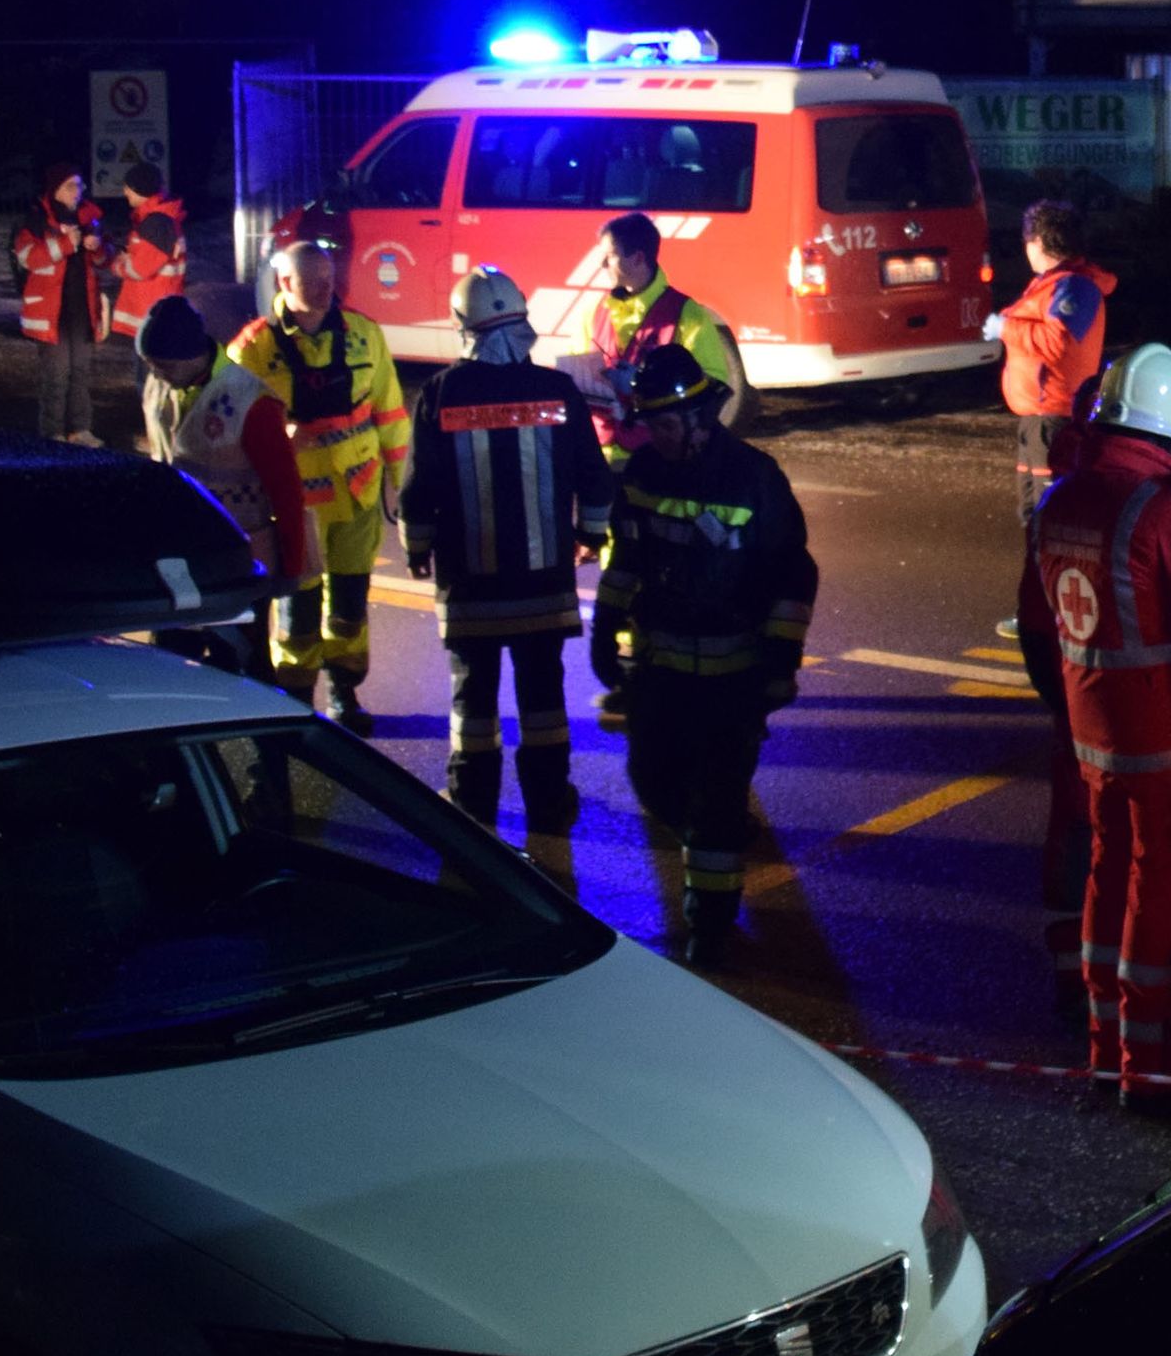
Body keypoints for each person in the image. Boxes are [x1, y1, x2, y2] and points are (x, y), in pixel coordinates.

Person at [1019, 343, 1171, 1099]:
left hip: (1093, 733)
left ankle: (1104, 1041)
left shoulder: (1058, 500)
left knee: (1106, 874)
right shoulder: (1163, 513)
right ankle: (1148, 1062)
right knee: (1156, 885)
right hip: (1168, 737)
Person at [592, 343, 815, 954]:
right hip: (661, 672)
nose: (656, 437)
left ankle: (710, 926)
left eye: (665, 425)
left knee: (716, 802)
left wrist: (779, 663)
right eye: (651, 425)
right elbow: (627, 559)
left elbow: (792, 577)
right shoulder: (642, 475)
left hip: (733, 676)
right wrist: (605, 623)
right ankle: (710, 844)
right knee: (652, 778)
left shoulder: (754, 477)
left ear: (697, 419)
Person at [403, 267, 613, 804]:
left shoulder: (439, 395)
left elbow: (418, 488)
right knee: (542, 692)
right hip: (543, 586)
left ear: (462, 324)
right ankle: (548, 794)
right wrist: (590, 534)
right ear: (523, 321)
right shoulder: (557, 390)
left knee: (472, 698)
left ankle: (472, 799)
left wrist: (418, 548)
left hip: (470, 588)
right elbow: (594, 476)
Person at [227, 226, 412, 729]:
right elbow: (226, 429)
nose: (324, 289)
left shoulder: (363, 332)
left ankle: (346, 695)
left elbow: (391, 414)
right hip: (294, 502)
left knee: (350, 605)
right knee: (297, 612)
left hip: (357, 492)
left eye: (329, 279)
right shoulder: (252, 349)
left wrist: (406, 484)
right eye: (311, 281)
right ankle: (296, 703)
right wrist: (277, 435)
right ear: (283, 282)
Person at [135, 293, 312, 678]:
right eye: (150, 366)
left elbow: (286, 490)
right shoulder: (161, 385)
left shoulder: (250, 401)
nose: (156, 375)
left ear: (191, 357)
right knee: (168, 667)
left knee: (240, 668)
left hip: (239, 559)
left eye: (162, 366)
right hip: (178, 560)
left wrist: (290, 566)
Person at [565, 211, 748, 446]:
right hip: (602, 455)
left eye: (610, 256)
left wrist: (643, 386)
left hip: (658, 457)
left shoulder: (686, 314)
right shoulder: (594, 311)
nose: (602, 265)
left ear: (638, 258)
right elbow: (573, 371)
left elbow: (713, 388)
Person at [996, 198, 1114, 534]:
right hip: (1037, 418)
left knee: (1053, 515)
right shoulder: (1052, 283)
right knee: (1034, 512)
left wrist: (1004, 328)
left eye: (1027, 242)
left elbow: (1056, 341)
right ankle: (1042, 577)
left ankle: (1053, 580)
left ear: (1039, 242)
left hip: (1055, 417)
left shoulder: (1075, 286)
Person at [13, 166, 115, 444]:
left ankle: (80, 429)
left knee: (81, 373)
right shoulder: (36, 220)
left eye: (80, 186)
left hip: (81, 309)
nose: (77, 192)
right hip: (51, 313)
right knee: (56, 376)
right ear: (55, 189)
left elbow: (105, 259)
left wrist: (97, 249)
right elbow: (27, 257)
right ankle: (52, 434)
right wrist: (66, 244)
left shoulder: (90, 218)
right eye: (70, 186)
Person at [111, 166, 189, 338]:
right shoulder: (159, 220)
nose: (125, 192)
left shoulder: (156, 224)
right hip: (156, 308)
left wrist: (117, 265)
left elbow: (140, 268)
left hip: (150, 310)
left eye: (128, 187)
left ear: (140, 189)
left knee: (151, 362)